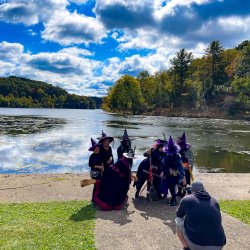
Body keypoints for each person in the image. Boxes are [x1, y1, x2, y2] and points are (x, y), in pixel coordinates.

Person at [175, 180, 226, 250]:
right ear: (204, 190)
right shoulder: (214, 201)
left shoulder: (187, 199)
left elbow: (178, 214)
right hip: (219, 244)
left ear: (191, 190)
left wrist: (186, 198)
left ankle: (186, 247)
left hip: (198, 245)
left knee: (178, 220)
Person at [161, 136, 186, 206]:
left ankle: (174, 200)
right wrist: (164, 172)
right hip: (168, 174)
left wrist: (183, 176)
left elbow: (180, 167)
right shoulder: (167, 156)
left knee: (172, 186)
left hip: (174, 175)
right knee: (169, 186)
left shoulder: (177, 157)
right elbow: (164, 164)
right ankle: (173, 199)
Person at [176, 133, 194, 197]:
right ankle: (179, 191)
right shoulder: (178, 151)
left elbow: (191, 161)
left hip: (186, 169)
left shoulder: (188, 152)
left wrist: (187, 166)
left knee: (186, 180)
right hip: (179, 169)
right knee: (179, 180)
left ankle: (184, 192)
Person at [88, 138, 104, 204]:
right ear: (93, 150)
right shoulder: (92, 156)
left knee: (100, 185)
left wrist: (102, 167)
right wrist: (98, 166)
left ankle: (99, 199)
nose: (98, 150)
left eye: (98, 148)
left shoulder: (100, 155)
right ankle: (93, 200)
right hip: (94, 173)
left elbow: (102, 161)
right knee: (95, 186)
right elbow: (90, 165)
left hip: (100, 172)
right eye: (96, 149)